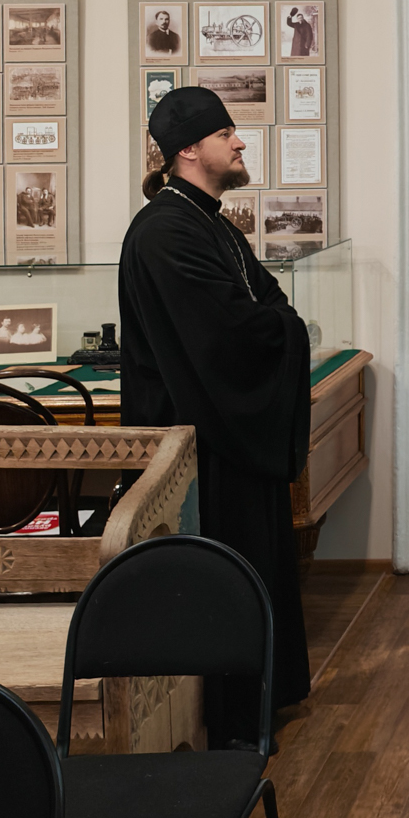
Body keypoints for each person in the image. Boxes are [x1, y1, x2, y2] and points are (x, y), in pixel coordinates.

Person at [120, 86, 312, 748]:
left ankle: (259, 701)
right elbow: (232, 334)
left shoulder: (210, 223)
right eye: (226, 134)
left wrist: (278, 325)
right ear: (187, 151)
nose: (239, 142)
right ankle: (229, 722)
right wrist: (282, 328)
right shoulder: (166, 231)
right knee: (223, 576)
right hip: (202, 447)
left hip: (229, 432)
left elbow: (270, 304)